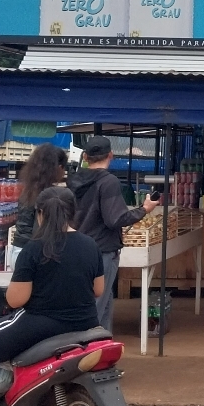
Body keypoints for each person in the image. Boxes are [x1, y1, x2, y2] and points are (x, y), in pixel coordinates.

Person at [0, 186, 105, 406]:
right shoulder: (90, 245)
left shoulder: (34, 249)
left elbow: (16, 300)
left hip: (40, 326)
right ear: (73, 212)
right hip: (85, 325)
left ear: (40, 214)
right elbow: (98, 290)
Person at [69, 135, 159, 332]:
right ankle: (87, 344)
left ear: (85, 156)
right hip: (102, 251)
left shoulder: (73, 180)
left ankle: (102, 344)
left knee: (102, 301)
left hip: (77, 248)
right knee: (98, 305)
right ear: (111, 155)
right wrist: (144, 209)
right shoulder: (108, 182)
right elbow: (115, 219)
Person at [12, 144, 69, 250]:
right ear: (59, 168)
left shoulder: (28, 189)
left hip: (18, 246)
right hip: (35, 249)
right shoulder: (48, 195)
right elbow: (41, 230)